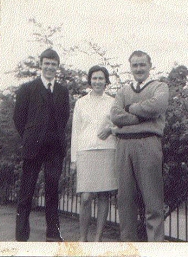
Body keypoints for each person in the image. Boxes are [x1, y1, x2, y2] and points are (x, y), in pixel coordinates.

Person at [110, 50, 169, 242]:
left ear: (149, 66)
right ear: (130, 68)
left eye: (142, 64)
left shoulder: (159, 87)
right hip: (124, 146)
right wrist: (142, 116)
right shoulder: (123, 91)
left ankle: (155, 246)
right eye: (135, 65)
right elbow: (116, 115)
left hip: (148, 144)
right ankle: (128, 247)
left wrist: (131, 109)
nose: (139, 69)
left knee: (153, 201)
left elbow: (157, 106)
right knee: (125, 202)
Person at [13, 48, 70, 242]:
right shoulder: (27, 89)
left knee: (53, 191)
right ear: (41, 65)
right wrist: (31, 136)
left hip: (54, 149)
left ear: (57, 67)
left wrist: (55, 137)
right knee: (26, 192)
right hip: (33, 147)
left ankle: (53, 235)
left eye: (53, 64)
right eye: (46, 63)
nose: (50, 67)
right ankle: (21, 236)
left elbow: (64, 117)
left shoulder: (62, 91)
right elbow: (18, 118)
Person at [70, 65, 118, 242]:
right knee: (86, 197)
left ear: (106, 81)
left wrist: (111, 129)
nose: (97, 81)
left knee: (104, 195)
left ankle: (97, 238)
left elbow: (120, 124)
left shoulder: (113, 102)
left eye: (101, 78)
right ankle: (83, 238)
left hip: (107, 150)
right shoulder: (81, 102)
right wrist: (74, 159)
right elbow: (76, 130)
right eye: (94, 78)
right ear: (90, 80)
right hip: (86, 151)